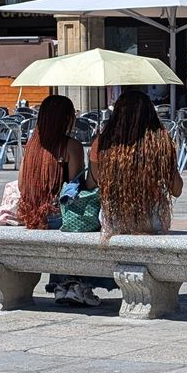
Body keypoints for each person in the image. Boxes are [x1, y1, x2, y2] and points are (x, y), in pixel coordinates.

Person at [15, 95, 109, 307]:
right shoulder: (71, 146)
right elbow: (76, 187)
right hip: (58, 216)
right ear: (66, 118)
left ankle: (61, 285)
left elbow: (22, 186)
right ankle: (77, 284)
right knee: (90, 221)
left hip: (33, 215)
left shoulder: (31, 147)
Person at [91, 90, 183, 237]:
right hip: (152, 220)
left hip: (113, 219)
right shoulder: (161, 144)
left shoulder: (102, 143)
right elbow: (176, 190)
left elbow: (96, 182)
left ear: (118, 114)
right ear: (150, 114)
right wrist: (170, 161)